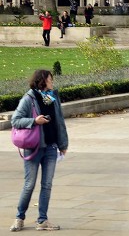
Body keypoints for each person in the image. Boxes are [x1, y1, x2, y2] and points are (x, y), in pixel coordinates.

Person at [10, 69, 69, 232]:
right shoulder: (29, 99)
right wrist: (34, 121)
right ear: (42, 81)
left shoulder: (52, 98)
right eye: (50, 79)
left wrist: (63, 144)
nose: (52, 82)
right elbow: (15, 120)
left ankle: (42, 220)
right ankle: (19, 218)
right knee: (29, 184)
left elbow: (59, 122)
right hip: (34, 148)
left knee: (47, 185)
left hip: (51, 147)